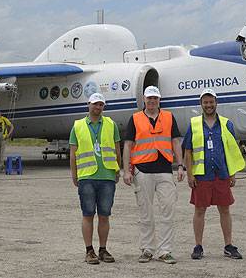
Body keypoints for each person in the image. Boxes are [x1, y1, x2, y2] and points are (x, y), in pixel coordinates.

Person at [123, 86, 185, 264]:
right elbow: (128, 145)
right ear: (144, 100)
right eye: (149, 99)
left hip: (165, 169)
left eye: (155, 99)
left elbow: (175, 142)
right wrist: (127, 170)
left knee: (168, 209)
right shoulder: (135, 119)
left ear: (159, 100)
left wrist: (180, 165)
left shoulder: (168, 117)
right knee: (145, 212)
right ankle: (147, 249)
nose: (152, 102)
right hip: (142, 171)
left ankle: (165, 251)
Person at [182, 89, 246, 260]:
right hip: (202, 175)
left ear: (216, 103)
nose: (208, 105)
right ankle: (198, 246)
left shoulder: (226, 124)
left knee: (225, 209)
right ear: (201, 104)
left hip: (221, 174)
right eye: (205, 102)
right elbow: (188, 151)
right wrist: (190, 174)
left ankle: (228, 245)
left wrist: (232, 174)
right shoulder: (194, 124)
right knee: (199, 210)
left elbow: (231, 151)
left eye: (211, 102)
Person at [69, 93, 122, 265]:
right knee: (88, 214)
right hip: (87, 176)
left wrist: (117, 169)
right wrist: (74, 174)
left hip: (107, 175)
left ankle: (103, 249)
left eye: (101, 105)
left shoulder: (111, 124)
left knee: (105, 215)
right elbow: (73, 153)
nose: (97, 107)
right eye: (95, 104)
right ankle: (89, 250)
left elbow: (117, 149)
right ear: (88, 105)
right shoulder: (77, 126)